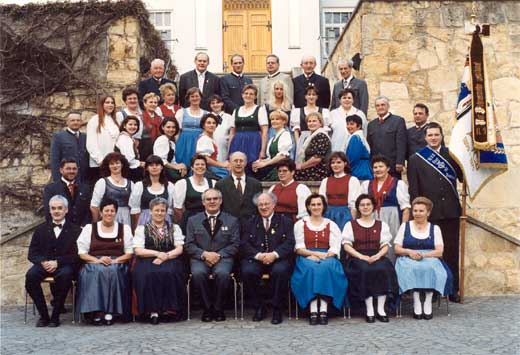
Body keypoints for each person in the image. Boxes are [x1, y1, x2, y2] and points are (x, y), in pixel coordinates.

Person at [407, 122, 463, 302]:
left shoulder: (453, 156)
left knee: (452, 251)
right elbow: (414, 191)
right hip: (430, 214)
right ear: (425, 138)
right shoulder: (416, 159)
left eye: (436, 135)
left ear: (441, 136)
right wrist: (419, 214)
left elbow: (463, 177)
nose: (433, 138)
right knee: (430, 253)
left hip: (451, 211)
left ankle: (452, 289)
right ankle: (433, 290)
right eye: (430, 135)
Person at [291, 194, 347, 325]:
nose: (316, 207)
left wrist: (324, 256)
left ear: (323, 206)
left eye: (319, 204)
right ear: (308, 207)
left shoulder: (331, 224)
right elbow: (298, 247)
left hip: (327, 256)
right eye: (313, 204)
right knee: (311, 268)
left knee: (325, 267)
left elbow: (335, 248)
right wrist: (311, 254)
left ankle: (323, 309)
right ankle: (312, 309)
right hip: (306, 255)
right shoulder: (300, 224)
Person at [185, 188, 240, 322]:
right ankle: (207, 309)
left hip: (223, 258)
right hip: (200, 258)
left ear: (220, 201)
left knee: (222, 274)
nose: (212, 201)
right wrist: (204, 254)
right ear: (203, 202)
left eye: (215, 199)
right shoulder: (193, 220)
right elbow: (189, 244)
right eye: (208, 199)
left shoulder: (232, 220)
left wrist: (218, 255)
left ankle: (218, 308)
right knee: (198, 274)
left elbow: (235, 244)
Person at [26, 195, 81, 327]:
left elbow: (77, 255)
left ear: (66, 210)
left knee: (65, 275)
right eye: (53, 208)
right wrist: (43, 262)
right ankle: (44, 315)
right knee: (31, 276)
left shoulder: (76, 230)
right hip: (44, 264)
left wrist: (58, 262)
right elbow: (32, 253)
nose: (56, 211)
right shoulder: (40, 230)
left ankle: (55, 316)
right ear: (49, 210)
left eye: (60, 208)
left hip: (64, 265)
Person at [342, 194, 398, 323]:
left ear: (373, 207)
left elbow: (385, 245)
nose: (365, 207)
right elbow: (346, 246)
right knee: (365, 269)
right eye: (362, 205)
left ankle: (380, 309)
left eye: (368, 204)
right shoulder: (351, 225)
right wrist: (361, 256)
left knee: (383, 268)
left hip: (377, 255)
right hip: (357, 256)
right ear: (358, 208)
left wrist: (378, 256)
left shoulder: (381, 225)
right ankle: (369, 309)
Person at [394, 197, 454, 320]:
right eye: (415, 211)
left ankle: (427, 300)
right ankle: (416, 299)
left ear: (428, 212)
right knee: (412, 267)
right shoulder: (405, 227)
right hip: (408, 257)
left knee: (429, 267)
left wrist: (424, 255)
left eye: (421, 211)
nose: (418, 213)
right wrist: (409, 252)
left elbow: (439, 251)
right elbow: (397, 249)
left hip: (430, 257)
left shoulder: (435, 228)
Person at [240, 192, 295, 324]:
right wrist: (259, 255)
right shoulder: (250, 222)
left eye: (267, 204)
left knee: (280, 271)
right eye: (260, 205)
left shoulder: (285, 221)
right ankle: (259, 307)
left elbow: (290, 242)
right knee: (248, 271)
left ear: (274, 205)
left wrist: (274, 254)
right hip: (257, 258)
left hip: (278, 258)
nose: (264, 207)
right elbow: (244, 243)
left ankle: (277, 309)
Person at [77, 198, 133, 325]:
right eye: (106, 210)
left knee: (112, 270)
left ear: (116, 213)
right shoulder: (89, 228)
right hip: (94, 262)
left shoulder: (124, 228)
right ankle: (96, 312)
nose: (109, 213)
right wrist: (97, 260)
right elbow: (82, 253)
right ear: (101, 212)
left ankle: (112, 312)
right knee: (98, 271)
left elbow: (129, 252)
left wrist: (116, 261)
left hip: (118, 262)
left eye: (112, 211)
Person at [132, 197, 186, 325]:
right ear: (150, 211)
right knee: (148, 274)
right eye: (156, 210)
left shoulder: (174, 228)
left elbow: (179, 249)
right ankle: (151, 312)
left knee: (170, 272)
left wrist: (165, 256)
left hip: (170, 257)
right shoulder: (141, 229)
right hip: (147, 258)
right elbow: (138, 250)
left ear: (166, 212)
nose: (159, 213)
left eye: (163, 210)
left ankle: (170, 310)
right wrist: (157, 254)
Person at [361, 155, 410, 261]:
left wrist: (403, 228)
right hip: (372, 218)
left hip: (392, 218)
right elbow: (362, 205)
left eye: (381, 166)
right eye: (375, 167)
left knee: (391, 245)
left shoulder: (398, 184)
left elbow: (406, 209)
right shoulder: (366, 184)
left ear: (388, 168)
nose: (378, 169)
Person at [228, 84, 268, 173]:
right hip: (237, 141)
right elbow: (232, 132)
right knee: (236, 165)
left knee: (251, 166)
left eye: (251, 94)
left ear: (255, 96)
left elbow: (264, 132)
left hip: (253, 142)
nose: (248, 96)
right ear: (242, 95)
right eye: (246, 93)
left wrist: (262, 151)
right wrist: (229, 150)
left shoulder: (260, 109)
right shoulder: (236, 110)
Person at [129, 155, 175, 230]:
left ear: (162, 167)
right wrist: (136, 229)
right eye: (151, 165)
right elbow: (135, 210)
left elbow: (170, 210)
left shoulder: (169, 186)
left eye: (157, 165)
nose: (154, 167)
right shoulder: (140, 185)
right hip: (145, 219)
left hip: (164, 220)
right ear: (146, 168)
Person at [215, 152, 262, 222]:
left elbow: (258, 207)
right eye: (235, 161)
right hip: (228, 226)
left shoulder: (256, 184)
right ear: (230, 163)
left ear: (245, 163)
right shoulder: (220, 184)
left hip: (250, 226)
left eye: (241, 161)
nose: (238, 163)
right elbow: (218, 208)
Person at [173, 154, 217, 232]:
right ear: (192, 167)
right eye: (197, 164)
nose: (200, 166)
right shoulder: (183, 183)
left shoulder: (213, 183)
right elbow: (177, 208)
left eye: (203, 164)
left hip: (208, 221)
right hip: (189, 221)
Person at [367, 96, 407, 179]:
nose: (380, 107)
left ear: (388, 106)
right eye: (377, 106)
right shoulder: (371, 125)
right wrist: (370, 164)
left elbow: (401, 143)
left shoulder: (398, 121)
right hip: (377, 167)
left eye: (383, 105)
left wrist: (400, 162)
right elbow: (369, 146)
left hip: (393, 166)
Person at [319, 152, 361, 231]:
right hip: (328, 214)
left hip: (345, 215)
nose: (335, 165)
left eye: (339, 162)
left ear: (345, 163)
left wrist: (352, 220)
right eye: (333, 163)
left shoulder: (352, 180)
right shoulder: (325, 181)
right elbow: (322, 201)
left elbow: (354, 204)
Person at [43, 159, 91, 227]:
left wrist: (83, 227)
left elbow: (89, 211)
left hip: (81, 230)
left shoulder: (85, 188)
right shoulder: (51, 189)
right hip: (61, 230)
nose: (71, 171)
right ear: (61, 170)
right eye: (68, 169)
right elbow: (48, 212)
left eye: (74, 169)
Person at [90, 152, 134, 225]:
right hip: (107, 217)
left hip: (126, 218)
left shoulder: (131, 184)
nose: (115, 166)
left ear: (122, 164)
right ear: (108, 166)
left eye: (117, 163)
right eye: (111, 164)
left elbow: (134, 207)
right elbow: (94, 206)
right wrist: (96, 225)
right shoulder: (102, 182)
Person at [86, 94, 121, 182]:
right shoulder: (95, 120)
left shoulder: (115, 121)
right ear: (102, 104)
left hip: (114, 164)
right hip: (100, 164)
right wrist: (101, 161)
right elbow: (91, 144)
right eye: (107, 102)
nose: (110, 105)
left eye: (112, 103)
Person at [252, 110, 293, 181]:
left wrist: (265, 164)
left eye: (277, 119)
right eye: (272, 119)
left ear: (284, 121)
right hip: (273, 166)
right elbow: (271, 157)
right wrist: (259, 162)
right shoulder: (273, 138)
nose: (274, 121)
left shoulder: (285, 134)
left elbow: (282, 156)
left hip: (280, 168)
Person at [290, 85, 330, 158]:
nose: (311, 97)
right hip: (303, 138)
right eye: (309, 94)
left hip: (319, 138)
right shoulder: (298, 111)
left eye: (313, 95)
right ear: (305, 96)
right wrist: (299, 144)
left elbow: (325, 130)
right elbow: (296, 130)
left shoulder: (324, 111)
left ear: (317, 97)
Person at [50, 111, 89, 183]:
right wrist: (58, 181)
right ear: (67, 122)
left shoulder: (85, 137)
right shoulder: (59, 137)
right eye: (72, 120)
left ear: (81, 122)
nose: (75, 122)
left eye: (78, 120)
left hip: (83, 180)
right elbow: (54, 160)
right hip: (66, 179)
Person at [175, 87, 207, 167]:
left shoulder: (206, 113)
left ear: (200, 97)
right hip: (184, 142)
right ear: (188, 99)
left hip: (199, 142)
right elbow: (177, 131)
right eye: (192, 96)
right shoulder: (181, 112)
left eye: (197, 96)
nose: (195, 98)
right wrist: (177, 144)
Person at [294, 112, 331, 181]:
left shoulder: (321, 136)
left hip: (319, 171)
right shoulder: (310, 137)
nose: (311, 123)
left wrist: (301, 166)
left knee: (291, 173)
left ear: (320, 123)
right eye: (309, 121)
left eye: (314, 121)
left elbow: (316, 159)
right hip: (311, 168)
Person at [153, 117, 188, 183]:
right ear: (163, 127)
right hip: (162, 171)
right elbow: (161, 161)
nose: (171, 129)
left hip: (168, 169)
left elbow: (172, 161)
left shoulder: (171, 143)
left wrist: (182, 167)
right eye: (168, 127)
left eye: (173, 127)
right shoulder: (162, 140)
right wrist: (176, 167)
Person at [196, 113, 230, 179]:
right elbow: (205, 159)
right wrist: (222, 164)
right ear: (203, 125)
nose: (211, 125)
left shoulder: (209, 138)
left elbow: (212, 158)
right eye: (208, 123)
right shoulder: (204, 139)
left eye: (214, 123)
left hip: (212, 168)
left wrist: (224, 164)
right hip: (208, 171)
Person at [115, 115, 145, 182]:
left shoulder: (129, 138)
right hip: (128, 171)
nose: (133, 127)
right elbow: (128, 159)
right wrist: (140, 163)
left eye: (135, 125)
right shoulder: (124, 138)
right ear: (124, 126)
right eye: (130, 124)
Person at [345, 114, 373, 182]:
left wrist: (346, 169)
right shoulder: (360, 137)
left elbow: (352, 158)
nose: (349, 126)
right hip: (364, 169)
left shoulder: (355, 138)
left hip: (358, 171)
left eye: (352, 124)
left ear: (359, 126)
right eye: (347, 124)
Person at [209, 94, 234, 162]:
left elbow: (232, 133)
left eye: (218, 102)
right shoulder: (207, 117)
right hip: (210, 147)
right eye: (213, 103)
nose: (215, 105)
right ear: (210, 105)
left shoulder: (229, 117)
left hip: (224, 148)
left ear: (222, 103)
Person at [139, 92, 162, 161]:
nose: (153, 104)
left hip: (157, 147)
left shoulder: (160, 118)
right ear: (145, 104)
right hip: (144, 149)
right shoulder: (140, 117)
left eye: (155, 102)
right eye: (151, 102)